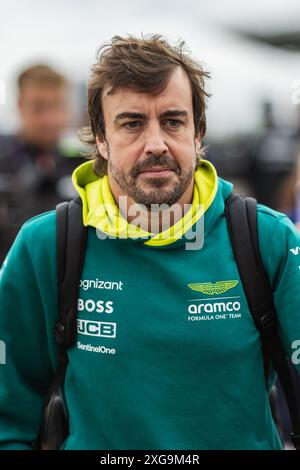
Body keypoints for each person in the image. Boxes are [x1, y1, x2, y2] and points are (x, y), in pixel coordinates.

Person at [0, 34, 300, 450]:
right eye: (132, 123)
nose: (156, 144)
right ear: (100, 139)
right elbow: (7, 419)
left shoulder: (268, 239)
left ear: (199, 133)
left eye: (174, 121)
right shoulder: (45, 246)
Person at [0, 64, 83, 264]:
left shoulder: (83, 165)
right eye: (39, 107)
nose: (50, 119)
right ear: (20, 105)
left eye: (57, 106)